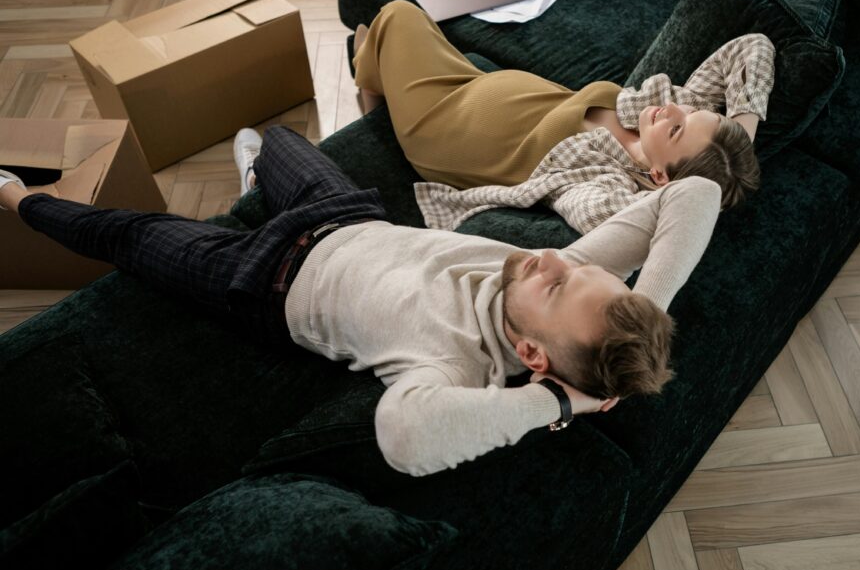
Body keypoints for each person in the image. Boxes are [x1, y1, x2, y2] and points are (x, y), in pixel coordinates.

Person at [0, 125, 720, 476]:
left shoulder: (453, 368)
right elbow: (695, 190)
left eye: (555, 282)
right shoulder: (560, 279)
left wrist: (560, 403)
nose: (548, 255)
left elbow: (406, 441)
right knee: (277, 138)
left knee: (128, 233)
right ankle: (257, 188)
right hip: (342, 212)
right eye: (576, 263)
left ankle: (19, 199)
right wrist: (648, 303)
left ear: (531, 354)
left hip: (261, 279)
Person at [352, 0, 774, 234]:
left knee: (397, 14)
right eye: (696, 110)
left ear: (661, 177)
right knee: (408, 23)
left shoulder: (605, 183)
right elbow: (753, 46)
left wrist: (691, 200)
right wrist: (738, 136)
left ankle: (375, 101)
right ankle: (378, 67)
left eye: (678, 127)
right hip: (471, 84)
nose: (677, 108)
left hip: (444, 129)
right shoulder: (661, 109)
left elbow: (611, 221)